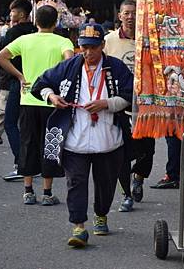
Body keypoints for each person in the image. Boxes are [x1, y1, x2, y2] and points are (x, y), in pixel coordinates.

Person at [30, 23, 133, 248]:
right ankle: (78, 226)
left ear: (102, 46)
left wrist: (107, 103)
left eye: (93, 48)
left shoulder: (116, 67)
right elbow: (41, 84)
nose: (88, 52)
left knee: (106, 184)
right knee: (75, 182)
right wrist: (52, 97)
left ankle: (101, 214)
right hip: (74, 139)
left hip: (108, 139)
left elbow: (131, 94)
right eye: (84, 47)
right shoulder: (68, 66)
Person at [0, 5, 74, 205]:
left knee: (28, 143)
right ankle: (47, 193)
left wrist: (21, 76)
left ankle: (28, 191)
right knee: (50, 144)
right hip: (52, 101)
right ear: (56, 23)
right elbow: (70, 61)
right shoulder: (63, 41)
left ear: (35, 21)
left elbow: (0, 57)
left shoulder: (24, 40)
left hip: (28, 98)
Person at [104, 0, 155, 212]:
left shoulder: (149, 39)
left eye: (134, 13)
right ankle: (126, 194)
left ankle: (139, 177)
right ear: (120, 15)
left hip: (145, 102)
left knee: (147, 149)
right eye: (126, 13)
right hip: (119, 102)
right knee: (122, 150)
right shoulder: (108, 40)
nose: (130, 17)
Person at [0, 0, 37, 181]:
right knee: (29, 126)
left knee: (11, 122)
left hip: (18, 82)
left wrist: (17, 75)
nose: (10, 15)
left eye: (13, 12)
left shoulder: (14, 33)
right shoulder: (36, 31)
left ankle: (22, 164)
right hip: (38, 83)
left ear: (21, 14)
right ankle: (33, 164)